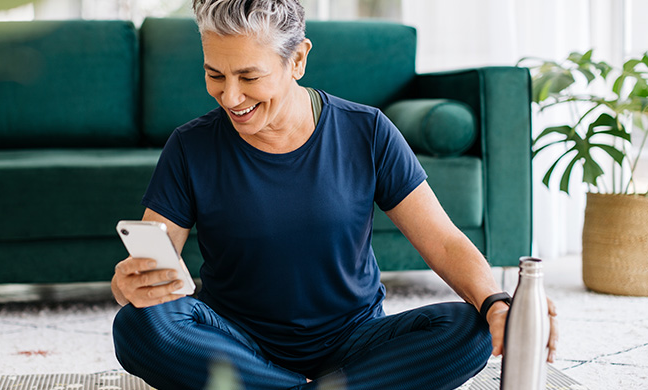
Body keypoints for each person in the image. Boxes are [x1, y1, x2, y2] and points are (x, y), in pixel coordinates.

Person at [112, 1, 558, 389]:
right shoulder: (191, 146)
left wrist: (496, 303)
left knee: (469, 329)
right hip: (234, 343)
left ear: (298, 60)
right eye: (215, 74)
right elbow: (157, 268)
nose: (230, 96)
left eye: (249, 76)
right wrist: (127, 284)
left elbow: (442, 240)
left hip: (353, 342)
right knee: (138, 325)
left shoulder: (366, 131)